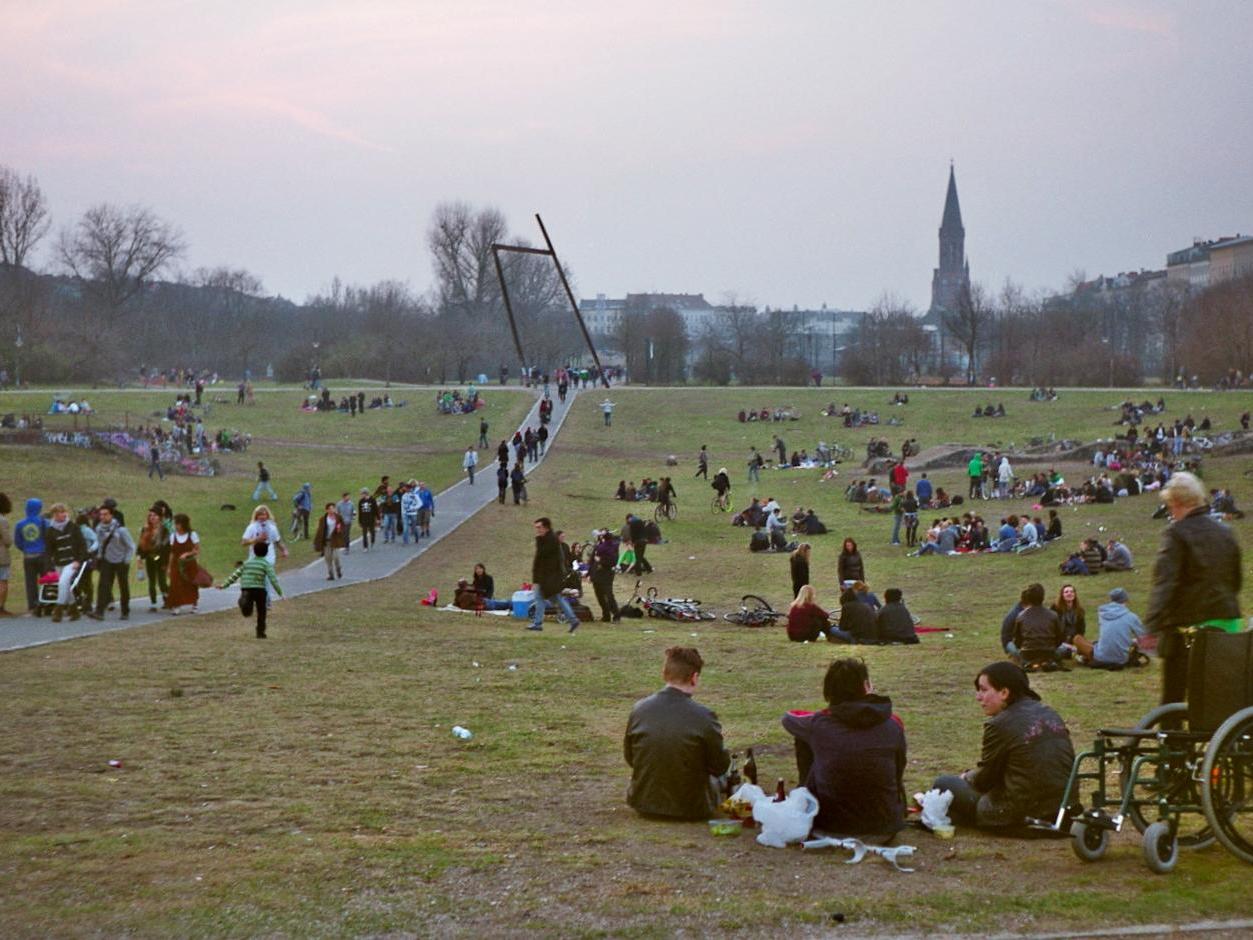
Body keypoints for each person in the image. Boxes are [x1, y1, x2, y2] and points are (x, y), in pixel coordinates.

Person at [931, 662, 1075, 831]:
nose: (978, 697)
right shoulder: (1050, 713)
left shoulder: (999, 724)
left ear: (1004, 692)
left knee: (944, 783)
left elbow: (984, 780)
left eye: (984, 690)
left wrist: (967, 776)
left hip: (1017, 812)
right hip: (1062, 809)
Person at [1144, 472, 1243, 705]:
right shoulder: (1226, 533)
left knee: (1174, 697)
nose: (1170, 512)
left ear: (1178, 503)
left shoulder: (1176, 534)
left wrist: (1152, 626)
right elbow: (1236, 581)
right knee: (1219, 693)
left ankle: (1174, 740)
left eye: (1170, 506)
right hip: (1227, 625)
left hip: (1189, 630)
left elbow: (1165, 584)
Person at [781, 658, 906, 836]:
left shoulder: (819, 724)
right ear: (866, 686)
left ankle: (806, 797)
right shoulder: (893, 724)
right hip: (883, 825)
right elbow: (899, 769)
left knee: (804, 737)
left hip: (831, 826)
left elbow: (789, 719)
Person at [623, 646, 731, 820]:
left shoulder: (639, 709)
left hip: (643, 803)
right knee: (723, 776)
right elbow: (719, 766)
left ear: (664, 673)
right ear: (694, 678)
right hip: (691, 808)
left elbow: (630, 757)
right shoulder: (704, 716)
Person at [217, 542, 284, 638]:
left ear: (254, 552)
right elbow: (273, 579)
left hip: (247, 588)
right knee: (262, 612)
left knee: (247, 605)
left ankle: (244, 602)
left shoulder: (247, 563)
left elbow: (236, 575)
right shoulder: (266, 564)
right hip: (260, 590)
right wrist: (280, 592)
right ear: (266, 552)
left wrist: (224, 585)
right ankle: (260, 632)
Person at [528, 517, 581, 633]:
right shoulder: (548, 539)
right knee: (550, 599)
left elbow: (543, 557)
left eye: (539, 527)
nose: (537, 530)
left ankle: (539, 624)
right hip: (546, 577)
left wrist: (540, 578)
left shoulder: (550, 540)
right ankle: (572, 620)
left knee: (550, 599)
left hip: (548, 578)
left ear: (546, 527)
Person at [87, 504, 136, 621]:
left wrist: (127, 560)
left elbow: (131, 546)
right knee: (103, 585)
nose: (103, 517)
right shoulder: (99, 529)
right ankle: (99, 611)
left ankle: (125, 611)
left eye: (105, 514)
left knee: (123, 585)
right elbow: (100, 544)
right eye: (101, 515)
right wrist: (98, 557)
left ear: (111, 515)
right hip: (106, 560)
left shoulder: (121, 530)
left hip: (121, 560)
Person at [1075, 587, 1146, 668]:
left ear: (1111, 599)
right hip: (1121, 660)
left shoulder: (1102, 613)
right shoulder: (1132, 617)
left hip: (1100, 657)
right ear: (1126, 600)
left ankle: (1083, 656)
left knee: (1077, 639)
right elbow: (1145, 639)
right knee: (1095, 642)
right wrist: (1133, 642)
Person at [44, 503, 87, 622]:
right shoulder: (50, 531)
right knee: (65, 586)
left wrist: (79, 560)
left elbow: (82, 545)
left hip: (72, 561)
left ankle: (58, 610)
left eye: (64, 512)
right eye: (59, 513)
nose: (62, 515)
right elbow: (48, 551)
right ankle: (74, 610)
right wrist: (48, 566)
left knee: (63, 583)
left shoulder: (73, 527)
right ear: (54, 515)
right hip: (59, 563)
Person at [1011, 582, 1063, 669]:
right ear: (1043, 597)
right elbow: (1060, 638)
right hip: (1049, 652)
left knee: (1011, 647)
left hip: (1028, 652)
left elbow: (1017, 640)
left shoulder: (1021, 615)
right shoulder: (1053, 615)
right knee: (1063, 650)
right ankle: (1047, 662)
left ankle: (1028, 662)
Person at [14, 497, 47, 615]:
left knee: (30, 582)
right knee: (46, 580)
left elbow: (17, 541)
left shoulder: (20, 524)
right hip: (43, 555)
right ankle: (46, 602)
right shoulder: (44, 522)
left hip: (28, 556)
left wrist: (25, 548)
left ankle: (33, 605)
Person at [136, 507, 171, 612]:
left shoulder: (164, 530)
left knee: (162, 582)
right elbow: (141, 545)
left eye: (155, 515)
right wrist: (139, 557)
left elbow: (166, 546)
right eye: (150, 515)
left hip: (162, 559)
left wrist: (166, 561)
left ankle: (168, 599)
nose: (152, 518)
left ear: (160, 517)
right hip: (150, 558)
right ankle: (153, 603)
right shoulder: (145, 529)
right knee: (151, 581)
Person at [166, 513, 202, 614]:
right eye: (175, 524)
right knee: (175, 584)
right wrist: (169, 567)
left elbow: (197, 550)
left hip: (189, 564)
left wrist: (187, 554)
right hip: (176, 564)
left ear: (183, 524)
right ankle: (177, 605)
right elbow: (172, 553)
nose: (176, 526)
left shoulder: (192, 535)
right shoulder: (173, 536)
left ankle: (194, 603)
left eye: (177, 524)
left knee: (191, 584)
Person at [589, 529, 621, 622]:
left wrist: (600, 560)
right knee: (599, 596)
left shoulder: (613, 547)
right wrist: (589, 573)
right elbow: (592, 561)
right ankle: (606, 615)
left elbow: (613, 561)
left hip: (607, 574)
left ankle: (616, 615)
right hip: (597, 574)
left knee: (609, 595)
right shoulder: (598, 546)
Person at [313, 502, 346, 580]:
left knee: (336, 557)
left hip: (335, 541)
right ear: (327, 510)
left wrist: (340, 529)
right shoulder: (323, 519)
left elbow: (343, 526)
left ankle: (338, 569)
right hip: (326, 541)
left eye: (333, 508)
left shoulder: (338, 517)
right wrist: (316, 542)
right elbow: (320, 531)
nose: (332, 510)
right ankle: (331, 574)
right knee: (328, 558)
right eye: (330, 509)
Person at [1051, 584, 1087, 653]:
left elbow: (1081, 630)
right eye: (1066, 592)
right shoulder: (1055, 608)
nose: (1069, 593)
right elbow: (1052, 628)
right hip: (1058, 641)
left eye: (1072, 591)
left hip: (1074, 640)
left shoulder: (1080, 610)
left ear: (1075, 594)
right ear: (1062, 595)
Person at [0, 493, 12, 617]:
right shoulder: (2, 520)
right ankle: (1, 607)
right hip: (1, 554)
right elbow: (7, 540)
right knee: (2, 581)